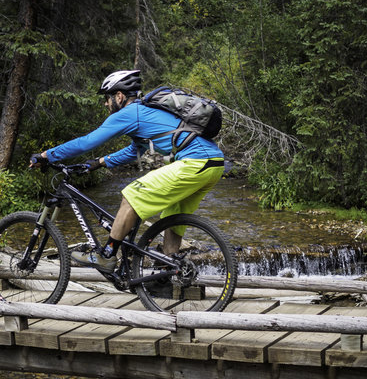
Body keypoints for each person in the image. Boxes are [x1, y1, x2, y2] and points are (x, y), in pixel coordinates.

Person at [30, 69, 225, 274]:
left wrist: (46, 156)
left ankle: (107, 256)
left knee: (131, 196)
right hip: (213, 164)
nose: (106, 104)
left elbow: (86, 142)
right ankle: (169, 271)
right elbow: (135, 150)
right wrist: (100, 162)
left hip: (195, 162)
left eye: (107, 98)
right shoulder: (143, 113)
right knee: (172, 216)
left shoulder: (129, 113)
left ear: (119, 96)